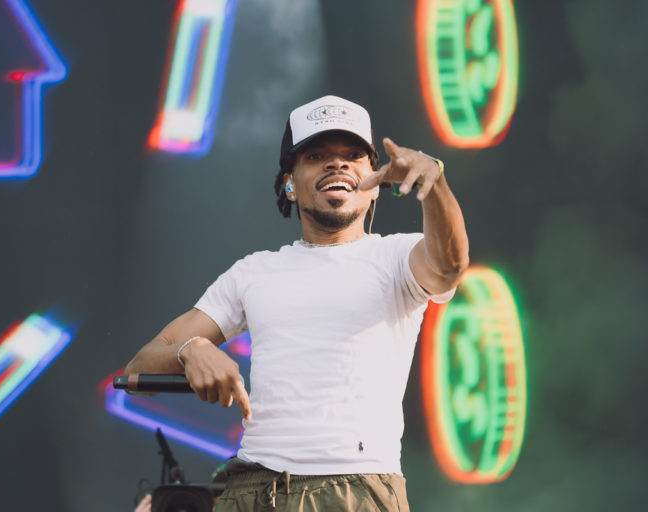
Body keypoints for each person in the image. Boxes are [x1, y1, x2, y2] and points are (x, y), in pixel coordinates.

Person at [125, 95, 469, 511]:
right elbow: (139, 369)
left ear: (376, 183)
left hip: (354, 489)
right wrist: (191, 349)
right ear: (289, 183)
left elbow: (450, 265)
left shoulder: (397, 257)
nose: (337, 164)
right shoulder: (253, 272)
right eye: (316, 155)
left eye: (353, 155)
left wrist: (435, 183)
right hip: (252, 488)